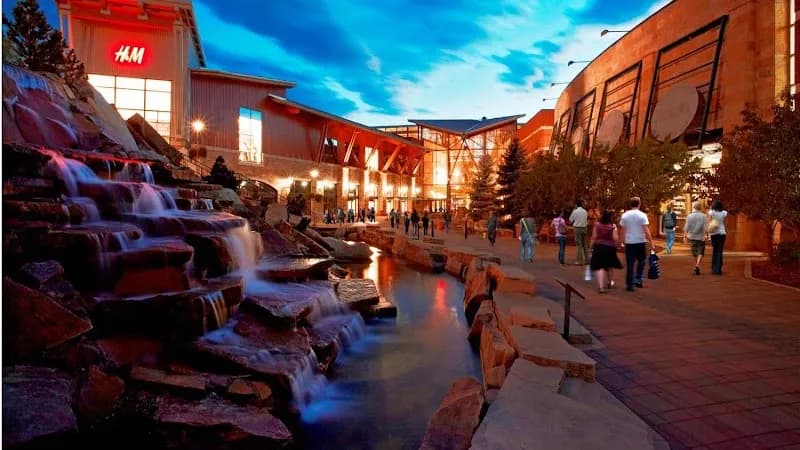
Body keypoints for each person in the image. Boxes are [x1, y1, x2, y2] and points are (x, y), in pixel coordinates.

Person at [620, 196, 654, 291]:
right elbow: (646, 230)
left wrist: (621, 241)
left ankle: (630, 284)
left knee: (630, 263)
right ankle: (638, 278)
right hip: (640, 241)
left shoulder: (625, 215)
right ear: (639, 204)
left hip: (629, 242)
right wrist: (651, 241)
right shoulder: (642, 215)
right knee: (642, 261)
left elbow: (623, 230)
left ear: (630, 204)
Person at [590, 210, 623, 293]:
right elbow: (615, 238)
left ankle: (601, 287)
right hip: (609, 248)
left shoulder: (597, 225)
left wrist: (591, 247)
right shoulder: (613, 226)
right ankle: (610, 282)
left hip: (599, 247)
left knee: (599, 267)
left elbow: (594, 237)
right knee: (609, 266)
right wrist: (617, 245)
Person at [683, 201, 707, 275]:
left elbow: (686, 227)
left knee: (694, 251)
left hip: (692, 236)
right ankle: (697, 264)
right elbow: (705, 227)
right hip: (701, 236)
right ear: (700, 208)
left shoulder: (689, 216)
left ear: (694, 207)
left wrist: (685, 236)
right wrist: (706, 235)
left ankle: (695, 264)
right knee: (700, 251)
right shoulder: (703, 216)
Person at [708, 200, 727, 275]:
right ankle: (719, 268)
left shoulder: (711, 212)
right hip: (722, 233)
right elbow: (725, 223)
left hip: (714, 233)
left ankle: (714, 268)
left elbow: (708, 221)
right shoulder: (724, 213)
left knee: (715, 250)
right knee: (720, 251)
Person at [569, 199, 589, 265]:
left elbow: (570, 220)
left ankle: (579, 261)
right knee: (585, 245)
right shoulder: (585, 211)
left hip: (577, 228)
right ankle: (587, 260)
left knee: (579, 245)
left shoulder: (575, 211)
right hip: (585, 228)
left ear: (576, 205)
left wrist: (573, 210)